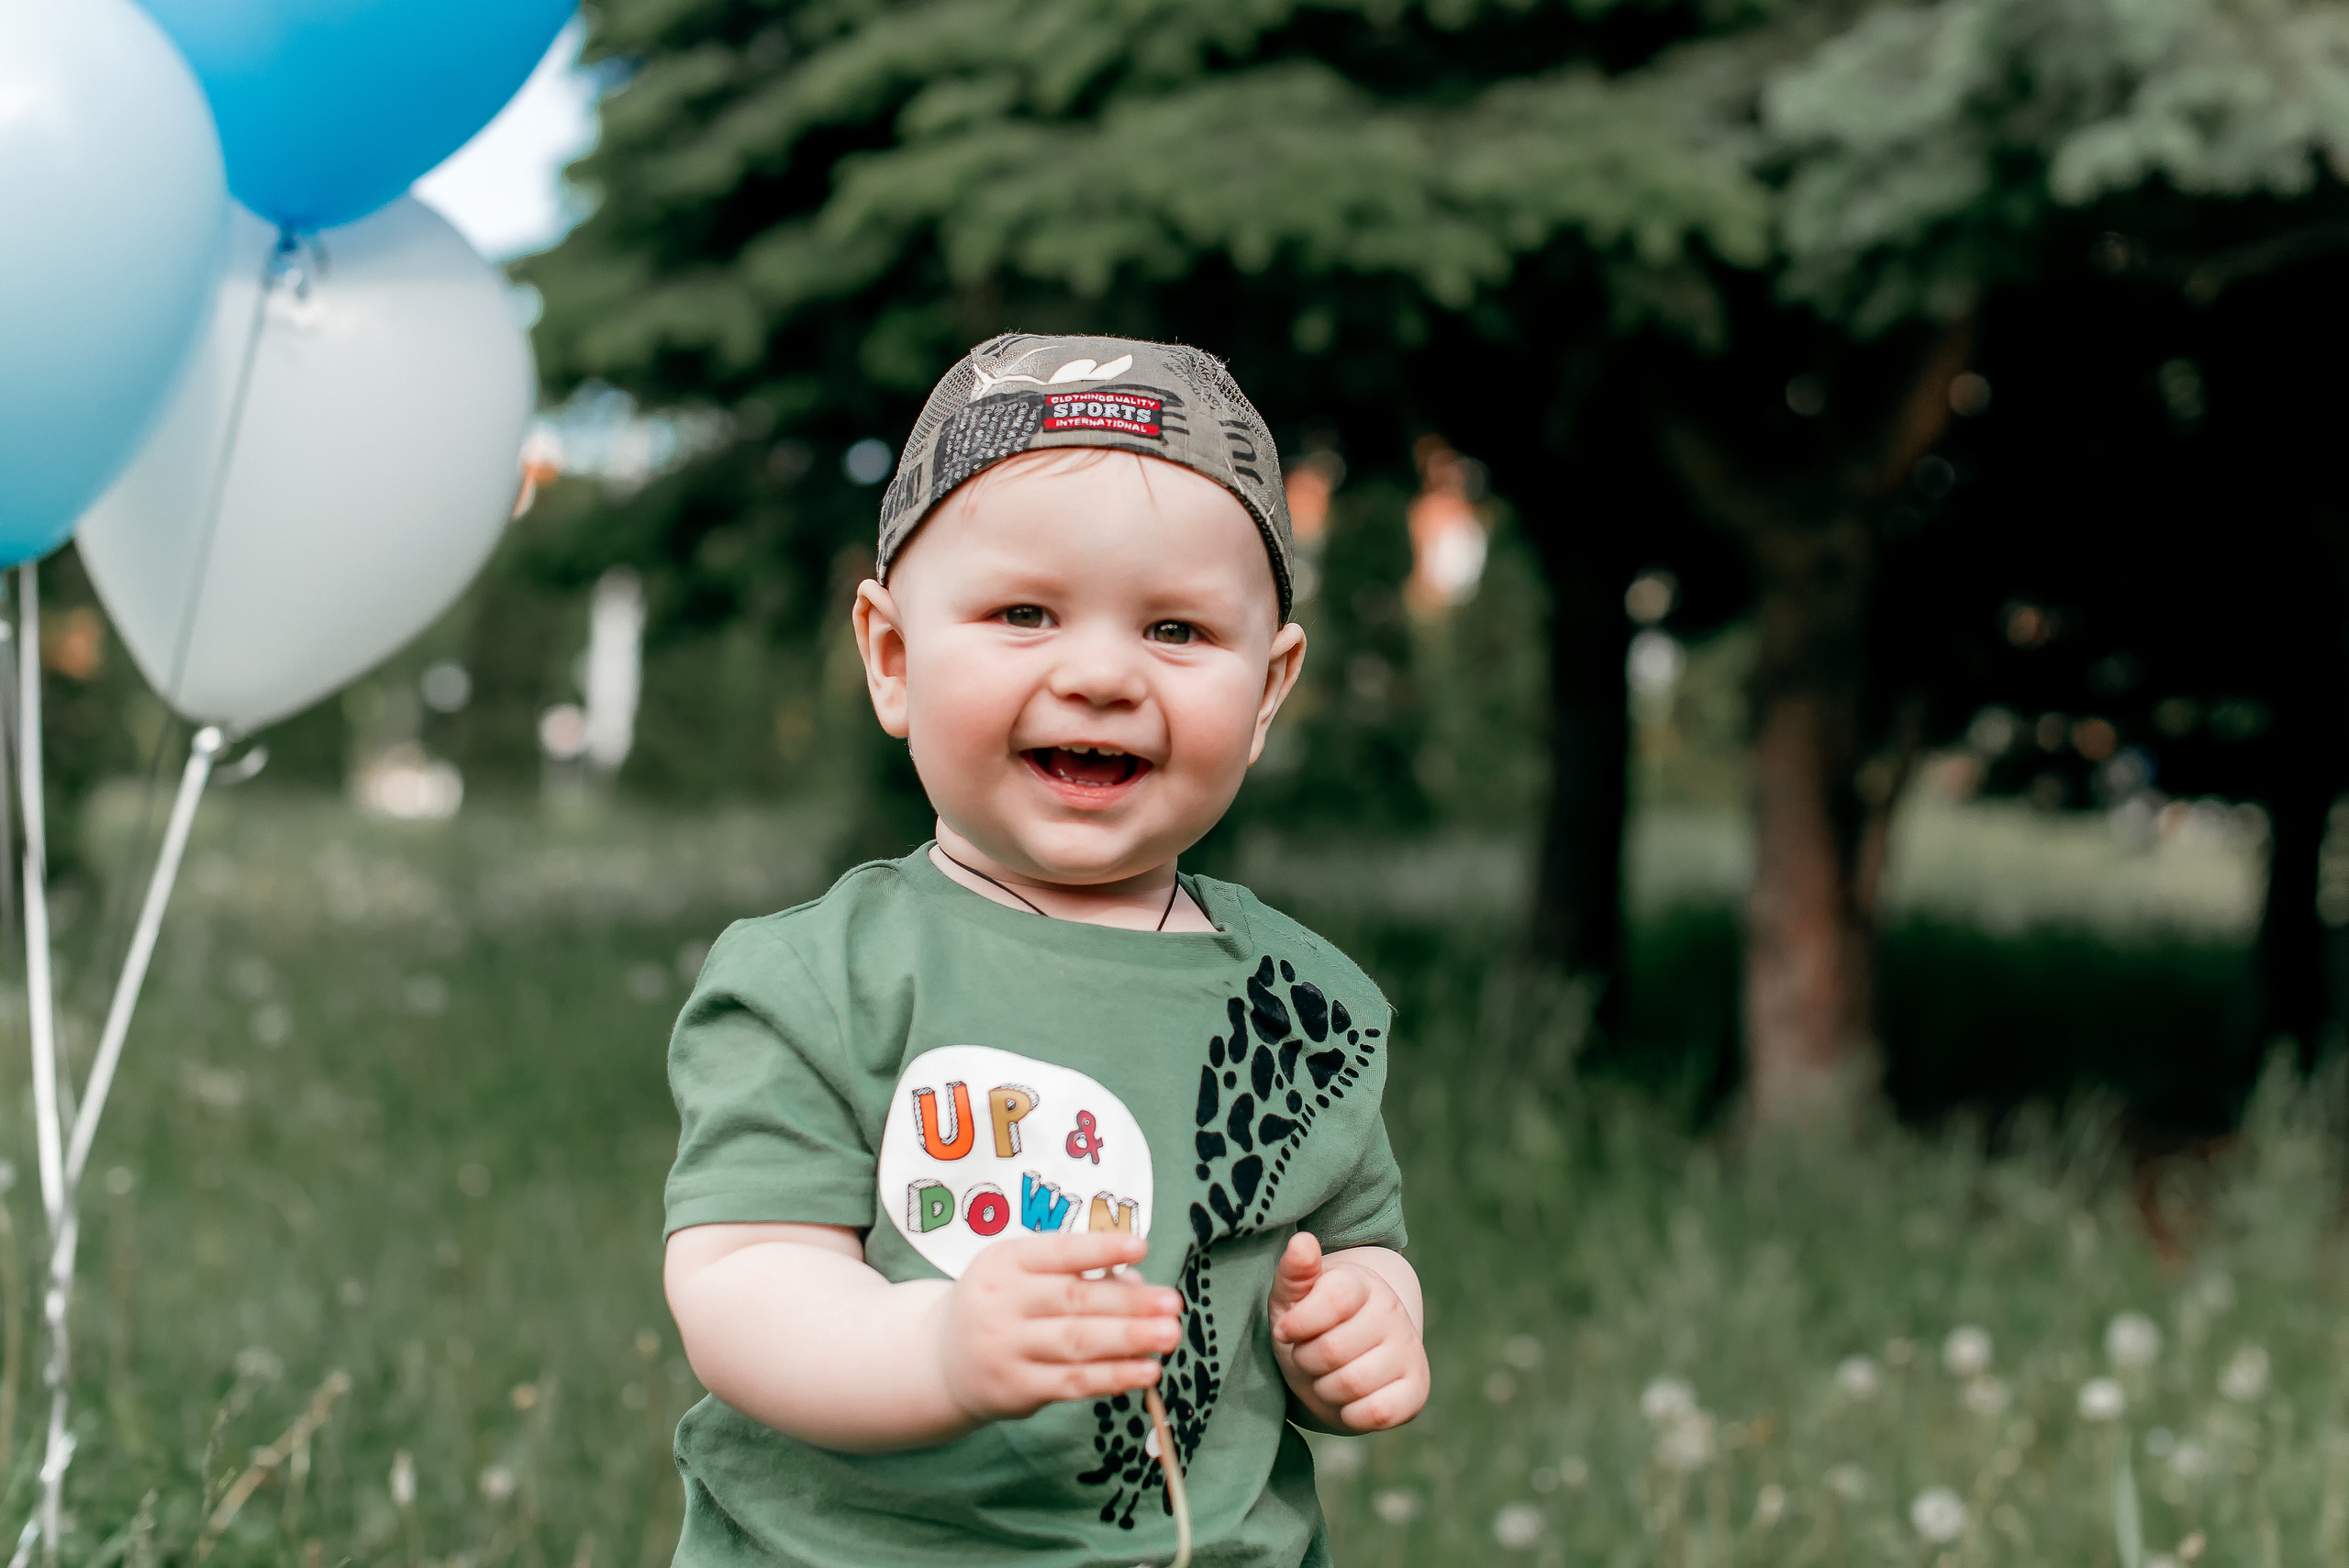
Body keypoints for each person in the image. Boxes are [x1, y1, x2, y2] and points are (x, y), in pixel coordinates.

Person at [661, 333, 1429, 1568]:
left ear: (1270, 688)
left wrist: (1365, 1326)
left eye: (1177, 629)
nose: (1101, 673)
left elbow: (1353, 1245)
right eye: (1024, 613)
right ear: (893, 657)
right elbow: (742, 1286)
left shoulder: (1306, 1009)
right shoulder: (825, 981)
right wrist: (939, 1352)